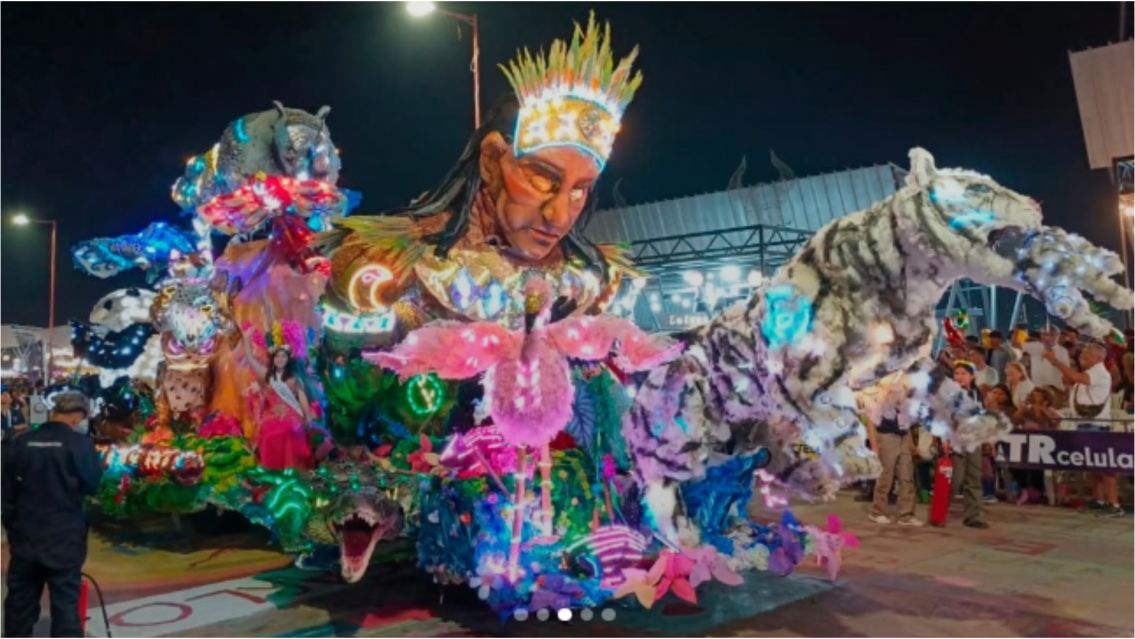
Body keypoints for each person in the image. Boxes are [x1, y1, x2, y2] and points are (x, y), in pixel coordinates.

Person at [2, 391, 103, 637]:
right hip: (64, 537)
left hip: (26, 536)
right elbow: (92, 484)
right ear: (77, 417)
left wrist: (13, 530)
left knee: (20, 601)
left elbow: (5, 494)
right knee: (65, 602)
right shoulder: (80, 445)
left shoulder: (21, 442)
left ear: (53, 412)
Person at [1046, 341, 1122, 517]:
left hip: (1096, 425)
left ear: (1098, 357)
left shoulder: (1100, 373)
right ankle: (1099, 500)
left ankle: (1114, 504)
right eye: (1082, 354)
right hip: (1084, 423)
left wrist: (1056, 362)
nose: (1083, 357)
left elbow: (1077, 379)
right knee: (1094, 466)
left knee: (1105, 467)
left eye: (1087, 354)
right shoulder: (1089, 372)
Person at [865, 383, 921, 526]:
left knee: (906, 476)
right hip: (887, 437)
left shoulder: (907, 399)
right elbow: (870, 422)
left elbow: (906, 422)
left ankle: (906, 515)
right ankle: (877, 511)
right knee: (886, 475)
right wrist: (874, 445)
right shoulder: (881, 398)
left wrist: (912, 443)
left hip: (904, 436)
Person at [252, 347, 316, 470]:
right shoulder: (267, 377)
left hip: (292, 413)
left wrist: (307, 416)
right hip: (272, 414)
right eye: (277, 356)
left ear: (288, 359)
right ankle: (271, 472)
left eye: (283, 356)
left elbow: (302, 398)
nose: (280, 359)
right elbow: (264, 399)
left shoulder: (294, 378)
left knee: (289, 429)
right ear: (273, 359)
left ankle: (291, 469)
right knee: (267, 431)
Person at [946, 360, 989, 528]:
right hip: (955, 441)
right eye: (956, 373)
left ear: (972, 376)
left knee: (974, 479)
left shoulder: (978, 394)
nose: (959, 377)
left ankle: (974, 516)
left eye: (963, 373)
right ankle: (940, 510)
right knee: (955, 479)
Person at [981, 384, 1015, 504]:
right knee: (985, 467)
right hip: (984, 442)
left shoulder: (1002, 414)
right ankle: (986, 492)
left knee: (988, 469)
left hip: (995, 444)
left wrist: (992, 444)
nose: (994, 397)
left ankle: (989, 493)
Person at [1021, 328, 1070, 392]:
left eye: (1051, 335)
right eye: (1044, 334)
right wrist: (1019, 328)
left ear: (1057, 336)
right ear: (1041, 336)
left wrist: (1066, 389)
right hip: (1036, 389)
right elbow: (1015, 344)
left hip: (1055, 389)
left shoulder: (1063, 351)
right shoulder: (1034, 346)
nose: (1047, 337)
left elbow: (1066, 372)